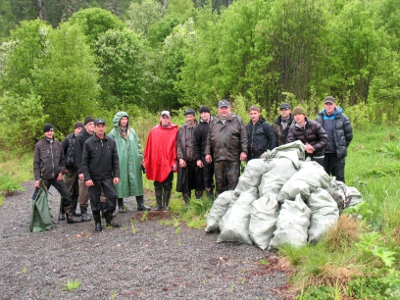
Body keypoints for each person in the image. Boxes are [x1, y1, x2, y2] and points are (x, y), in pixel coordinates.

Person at [33, 123, 80, 224]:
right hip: (44, 177)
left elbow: (63, 161)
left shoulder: (58, 144)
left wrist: (61, 171)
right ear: (44, 133)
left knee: (67, 195)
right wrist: (37, 179)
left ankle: (69, 216)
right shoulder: (39, 145)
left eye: (51, 131)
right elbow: (36, 163)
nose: (50, 133)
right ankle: (41, 219)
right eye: (48, 131)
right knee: (40, 198)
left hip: (56, 177)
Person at [81, 118, 120, 231]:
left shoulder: (111, 141)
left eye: (103, 126)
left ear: (105, 127)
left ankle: (109, 218)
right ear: (95, 127)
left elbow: (115, 160)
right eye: (98, 126)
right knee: (95, 200)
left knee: (112, 197)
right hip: (94, 177)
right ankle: (97, 222)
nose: (101, 128)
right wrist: (87, 178)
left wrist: (116, 175)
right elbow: (84, 162)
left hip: (107, 176)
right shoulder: (88, 143)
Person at [108, 111, 150, 212]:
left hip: (134, 161)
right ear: (118, 120)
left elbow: (138, 145)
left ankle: (140, 204)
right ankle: (121, 205)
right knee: (120, 182)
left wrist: (140, 159)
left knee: (137, 181)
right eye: (122, 119)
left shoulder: (132, 131)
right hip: (120, 162)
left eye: (125, 119)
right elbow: (109, 149)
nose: (124, 121)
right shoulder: (113, 133)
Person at [205, 100, 248, 197]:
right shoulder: (214, 121)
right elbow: (208, 139)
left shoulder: (237, 120)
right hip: (218, 157)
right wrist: (207, 153)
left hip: (233, 157)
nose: (224, 110)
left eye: (226, 108)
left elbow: (244, 137)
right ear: (218, 109)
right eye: (221, 108)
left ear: (230, 108)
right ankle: (220, 204)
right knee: (220, 183)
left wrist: (244, 151)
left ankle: (232, 204)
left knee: (233, 182)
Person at [144, 111, 178, 211]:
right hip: (157, 162)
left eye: (167, 117)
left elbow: (177, 147)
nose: (165, 119)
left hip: (169, 162)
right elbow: (148, 147)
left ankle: (166, 205)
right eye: (163, 117)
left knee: (168, 183)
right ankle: (158, 205)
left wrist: (175, 161)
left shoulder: (174, 131)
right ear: (160, 118)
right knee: (157, 183)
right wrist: (146, 161)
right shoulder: (154, 131)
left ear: (170, 118)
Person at [316, 96, 353, 182]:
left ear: (335, 105)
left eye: (330, 104)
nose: (329, 106)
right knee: (323, 180)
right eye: (327, 104)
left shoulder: (343, 118)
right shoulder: (319, 118)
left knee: (339, 180)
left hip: (337, 155)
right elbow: (315, 135)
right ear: (324, 105)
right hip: (323, 154)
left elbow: (349, 136)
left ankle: (341, 195)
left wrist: (341, 146)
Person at [176, 108, 204, 205]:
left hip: (198, 160)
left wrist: (200, 158)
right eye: (187, 117)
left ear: (194, 117)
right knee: (186, 183)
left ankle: (198, 203)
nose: (189, 118)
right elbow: (178, 144)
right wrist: (180, 158)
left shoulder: (200, 127)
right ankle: (187, 205)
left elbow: (204, 143)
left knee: (199, 182)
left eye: (190, 116)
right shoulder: (182, 129)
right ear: (185, 118)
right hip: (186, 160)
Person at [58, 121, 84, 221]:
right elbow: (61, 153)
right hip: (69, 169)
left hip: (79, 169)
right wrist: (63, 168)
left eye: (81, 129)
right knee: (66, 191)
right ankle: (61, 212)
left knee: (76, 192)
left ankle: (72, 211)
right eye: (78, 128)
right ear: (74, 129)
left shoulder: (83, 139)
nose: (80, 130)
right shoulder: (68, 139)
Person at [74, 116, 95, 222]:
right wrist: (80, 171)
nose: (92, 126)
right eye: (90, 124)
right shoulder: (80, 137)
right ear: (85, 125)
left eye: (93, 124)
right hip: (84, 168)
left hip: (95, 168)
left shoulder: (96, 136)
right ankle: (83, 211)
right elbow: (77, 155)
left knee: (98, 190)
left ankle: (100, 209)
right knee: (84, 191)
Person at [193, 105, 215, 199]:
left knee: (219, 176)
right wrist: (198, 159)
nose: (203, 115)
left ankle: (220, 196)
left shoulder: (216, 123)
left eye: (205, 112)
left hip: (218, 154)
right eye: (201, 113)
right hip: (204, 156)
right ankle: (210, 198)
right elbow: (195, 144)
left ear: (209, 113)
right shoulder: (199, 127)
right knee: (207, 177)